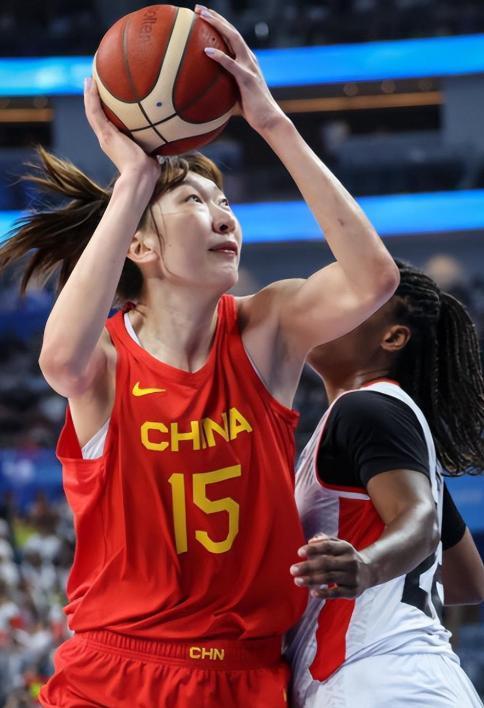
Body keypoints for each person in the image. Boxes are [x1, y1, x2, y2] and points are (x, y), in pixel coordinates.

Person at [0, 7, 399, 708]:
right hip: (113, 670)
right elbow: (58, 360)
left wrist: (272, 122)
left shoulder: (266, 329)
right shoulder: (106, 358)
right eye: (193, 200)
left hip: (245, 674)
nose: (224, 215)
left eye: (226, 201)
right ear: (140, 245)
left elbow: (374, 280)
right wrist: (133, 180)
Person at [286, 260, 484, 707]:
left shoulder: (365, 408)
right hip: (412, 677)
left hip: (380, 679)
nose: (324, 307)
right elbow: (468, 579)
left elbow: (420, 520)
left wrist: (368, 566)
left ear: (391, 338)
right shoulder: (389, 429)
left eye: (349, 299)